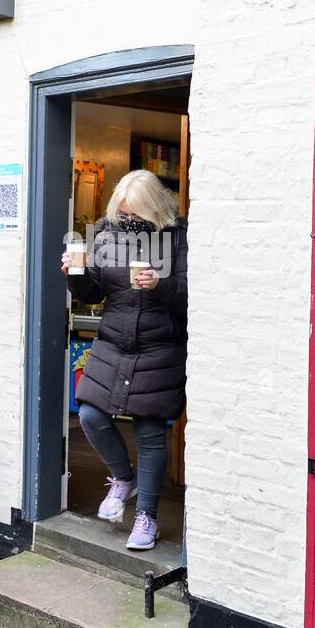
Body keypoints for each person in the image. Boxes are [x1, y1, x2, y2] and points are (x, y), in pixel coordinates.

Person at [60, 169, 188, 551]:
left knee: (150, 432)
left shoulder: (178, 236)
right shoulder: (105, 233)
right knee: (90, 415)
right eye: (125, 213)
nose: (129, 221)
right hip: (113, 341)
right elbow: (94, 291)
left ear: (155, 209)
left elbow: (188, 292)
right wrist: (76, 274)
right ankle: (122, 478)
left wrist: (159, 284)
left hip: (159, 345)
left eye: (137, 215)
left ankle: (146, 516)